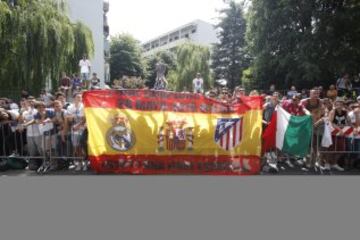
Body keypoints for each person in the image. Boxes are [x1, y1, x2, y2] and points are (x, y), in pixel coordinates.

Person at [64, 93, 86, 171]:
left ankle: (83, 162)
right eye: (77, 97)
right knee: (75, 147)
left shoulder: (84, 106)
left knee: (81, 147)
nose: (79, 98)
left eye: (80, 97)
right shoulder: (70, 107)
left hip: (82, 129)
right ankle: (78, 163)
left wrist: (78, 125)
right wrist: (72, 118)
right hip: (73, 129)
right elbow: (68, 118)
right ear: (74, 98)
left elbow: (85, 118)